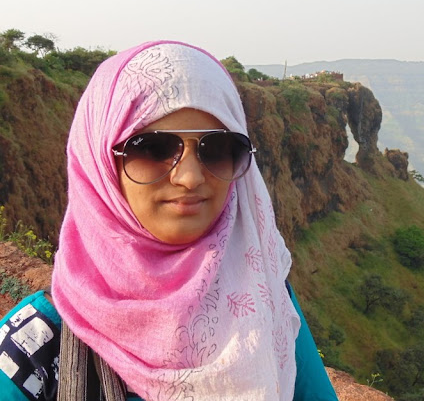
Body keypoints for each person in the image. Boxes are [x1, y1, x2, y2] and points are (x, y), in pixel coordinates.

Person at [0, 41, 338, 400]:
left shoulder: (267, 296)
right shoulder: (33, 348)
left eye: (218, 148)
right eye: (152, 148)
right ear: (100, 165)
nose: (190, 177)